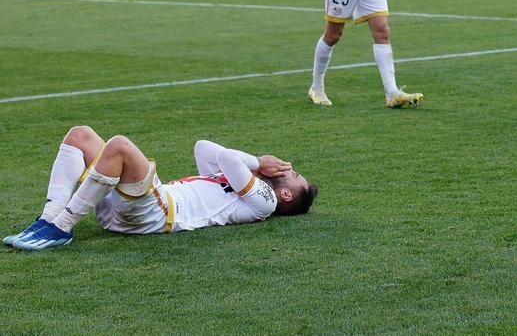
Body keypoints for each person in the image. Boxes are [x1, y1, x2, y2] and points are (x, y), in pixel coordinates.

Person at [5, 125, 315, 250]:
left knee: (120, 146)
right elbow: (203, 148)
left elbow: (227, 157)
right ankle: (49, 219)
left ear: (286, 194)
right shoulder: (242, 186)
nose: (290, 169)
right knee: (80, 136)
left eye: (295, 175)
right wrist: (256, 165)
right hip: (137, 208)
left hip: (159, 212)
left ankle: (62, 228)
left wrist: (258, 161)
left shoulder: (266, 203)